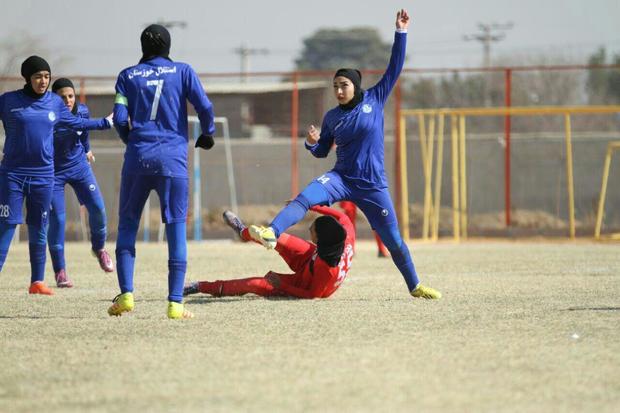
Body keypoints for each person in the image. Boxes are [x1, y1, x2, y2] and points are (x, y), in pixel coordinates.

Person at [249, 10, 441, 299]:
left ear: (356, 86)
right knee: (304, 197)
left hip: (373, 185)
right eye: (335, 86)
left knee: (395, 242)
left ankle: (415, 285)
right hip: (341, 178)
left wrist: (401, 32)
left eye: (344, 85)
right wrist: (312, 143)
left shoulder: (375, 98)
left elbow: (395, 67)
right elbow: (322, 151)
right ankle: (272, 232)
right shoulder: (331, 117)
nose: (339, 90)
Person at [109, 24, 215, 319]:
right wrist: (208, 133)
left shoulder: (127, 76)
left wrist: (131, 141)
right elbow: (205, 106)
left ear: (142, 46)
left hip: (137, 160)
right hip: (172, 161)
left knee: (128, 225)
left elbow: (119, 117)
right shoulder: (183, 71)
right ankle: (175, 303)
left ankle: (127, 295)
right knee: (175, 227)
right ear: (169, 46)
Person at [0, 56, 111, 295]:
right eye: (38, 76)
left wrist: (105, 123)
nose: (43, 81)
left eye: (46, 76)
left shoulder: (54, 102)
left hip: (44, 176)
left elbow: (75, 123)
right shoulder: (8, 101)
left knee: (39, 226)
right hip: (13, 175)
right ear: (27, 78)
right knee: (7, 225)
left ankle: (37, 281)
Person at [184, 206, 354, 299]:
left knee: (254, 285)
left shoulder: (327, 270)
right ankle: (243, 232)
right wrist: (312, 206)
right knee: (273, 236)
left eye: (313, 230)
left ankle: (200, 286)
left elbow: (313, 295)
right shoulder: (343, 236)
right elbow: (344, 218)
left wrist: (283, 286)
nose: (309, 229)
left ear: (322, 240)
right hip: (312, 258)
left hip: (305, 283)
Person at [48, 78, 114, 289]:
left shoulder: (82, 111)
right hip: (53, 172)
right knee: (58, 220)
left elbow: (83, 132)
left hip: (79, 168)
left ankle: (99, 248)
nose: (67, 100)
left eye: (70, 96)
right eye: (62, 96)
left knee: (97, 208)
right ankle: (60, 271)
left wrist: (87, 149)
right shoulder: (48, 115)